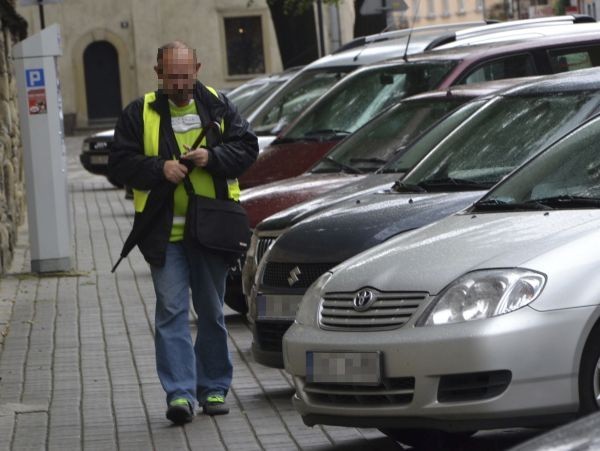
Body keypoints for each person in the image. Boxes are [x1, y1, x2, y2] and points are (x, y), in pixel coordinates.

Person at [108, 41, 258, 425]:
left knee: (211, 311)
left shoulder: (217, 104)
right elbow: (119, 163)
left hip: (211, 230)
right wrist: (159, 169)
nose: (180, 83)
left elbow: (247, 148)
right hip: (163, 234)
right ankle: (179, 395)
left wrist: (213, 157)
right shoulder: (139, 112)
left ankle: (213, 387)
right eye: (172, 76)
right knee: (171, 312)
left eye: (185, 74)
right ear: (158, 73)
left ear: (197, 68)